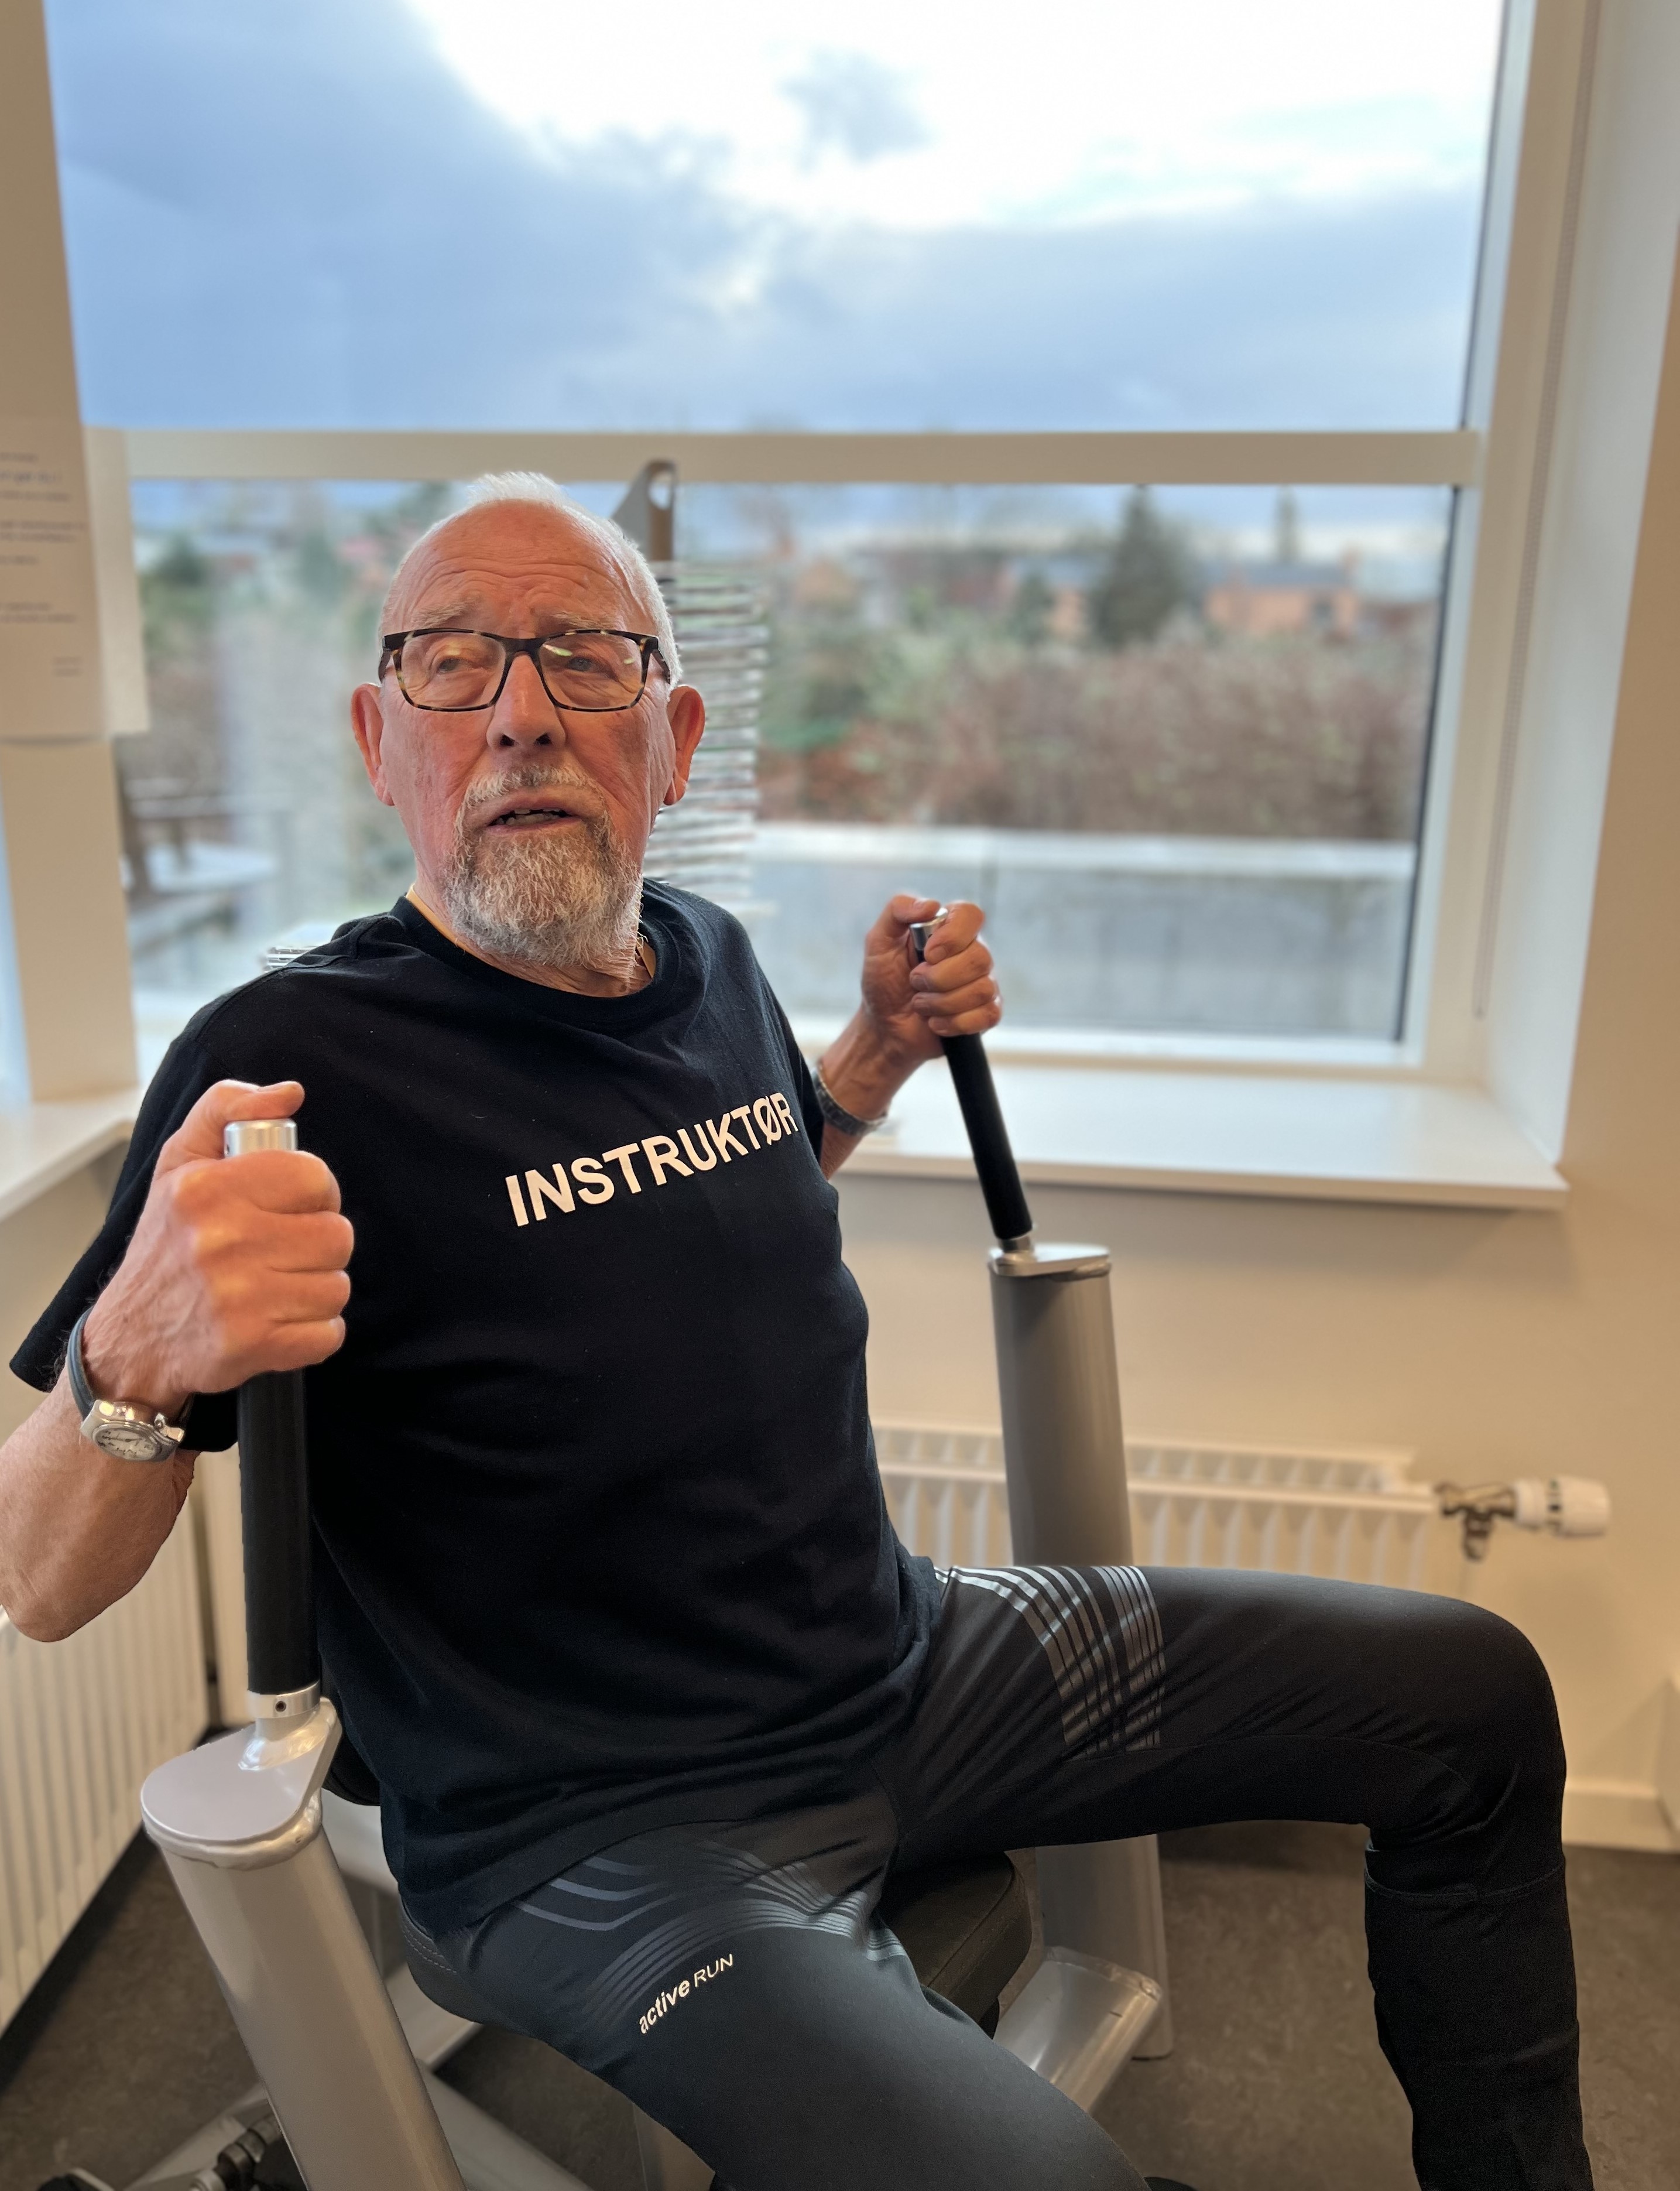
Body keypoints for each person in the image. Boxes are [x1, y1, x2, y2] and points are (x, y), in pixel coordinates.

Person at [0, 475, 1591, 2191]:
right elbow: (38, 1577)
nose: (522, 713)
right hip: (602, 1825)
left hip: (910, 1664)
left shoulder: (707, 955)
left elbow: (713, 1190)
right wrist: (130, 1358)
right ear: (380, 741)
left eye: (586, 659)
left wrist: (873, 1056)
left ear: (673, 738)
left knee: (1471, 1696)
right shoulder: (290, 1066)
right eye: (452, 664)